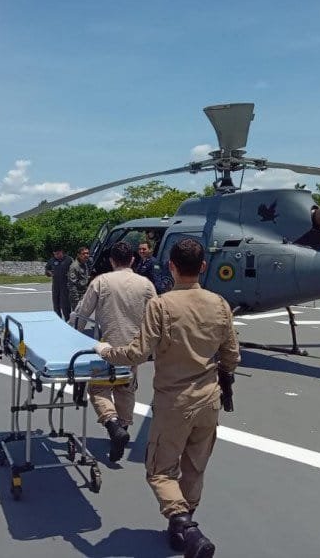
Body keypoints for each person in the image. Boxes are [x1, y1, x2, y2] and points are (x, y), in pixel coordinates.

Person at [95, 238, 239, 558]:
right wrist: (224, 379)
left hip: (175, 403)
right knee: (194, 468)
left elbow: (137, 352)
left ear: (171, 266)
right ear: (203, 267)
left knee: (160, 471)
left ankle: (185, 525)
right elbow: (231, 356)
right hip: (210, 400)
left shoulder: (161, 305)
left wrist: (106, 351)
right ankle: (182, 529)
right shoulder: (219, 303)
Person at [68, 241, 156, 462]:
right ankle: (123, 427)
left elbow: (81, 314)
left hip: (107, 348)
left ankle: (112, 424)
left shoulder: (101, 281)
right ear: (133, 260)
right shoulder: (145, 284)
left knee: (98, 389)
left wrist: (72, 335)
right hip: (135, 348)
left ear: (111, 260)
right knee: (126, 388)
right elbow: (157, 317)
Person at [44, 246, 72, 319]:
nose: (56, 256)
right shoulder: (52, 260)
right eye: (55, 254)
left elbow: (73, 270)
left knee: (65, 304)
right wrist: (48, 273)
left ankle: (68, 320)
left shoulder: (69, 260)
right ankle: (58, 320)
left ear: (62, 252)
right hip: (56, 285)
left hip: (65, 285)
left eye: (58, 254)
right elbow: (47, 270)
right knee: (56, 304)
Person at [67, 246, 91, 312]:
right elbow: (72, 285)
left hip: (84, 295)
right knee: (77, 317)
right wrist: (76, 300)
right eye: (83, 253)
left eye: (87, 253)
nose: (86, 255)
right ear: (78, 255)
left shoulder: (85, 264)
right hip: (77, 296)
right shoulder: (74, 267)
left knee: (83, 317)